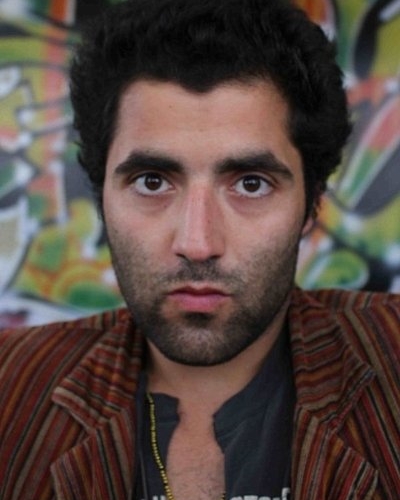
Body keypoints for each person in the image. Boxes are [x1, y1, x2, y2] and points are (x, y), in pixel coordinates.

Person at [0, 0, 399, 498]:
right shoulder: (10, 388)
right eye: (152, 181)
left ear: (311, 204)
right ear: (102, 196)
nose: (197, 243)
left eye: (251, 184)